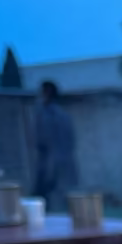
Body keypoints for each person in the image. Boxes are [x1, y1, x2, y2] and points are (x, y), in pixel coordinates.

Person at [33, 80, 78, 211]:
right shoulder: (64, 115)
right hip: (63, 166)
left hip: (51, 167)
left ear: (46, 94)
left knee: (48, 206)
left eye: (41, 93)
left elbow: (43, 141)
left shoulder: (46, 115)